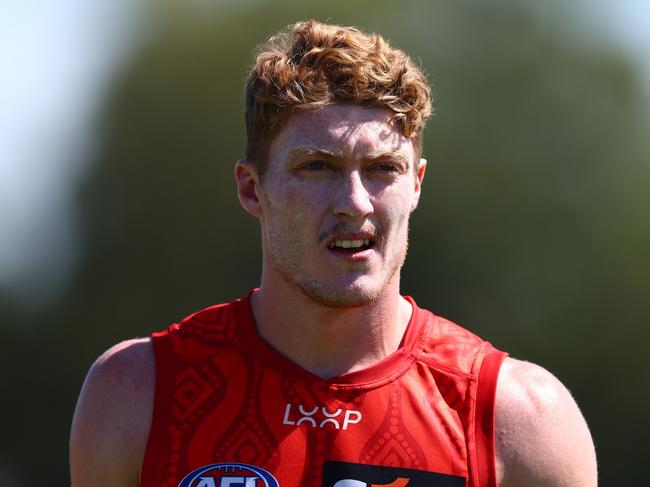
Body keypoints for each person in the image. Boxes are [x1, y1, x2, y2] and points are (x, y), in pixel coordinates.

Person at [70, 20, 597, 487]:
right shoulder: (139, 394)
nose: (354, 203)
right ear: (253, 189)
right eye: (317, 167)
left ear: (416, 184)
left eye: (383, 169)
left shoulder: (518, 420)